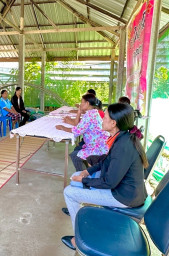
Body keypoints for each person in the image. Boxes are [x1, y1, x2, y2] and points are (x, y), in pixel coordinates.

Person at [60, 103, 148, 250]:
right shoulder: (122, 138)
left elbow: (109, 182)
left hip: (123, 196)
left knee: (69, 192)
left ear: (113, 123)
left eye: (105, 117)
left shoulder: (123, 145)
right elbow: (106, 161)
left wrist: (85, 180)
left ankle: (79, 240)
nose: (102, 120)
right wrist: (87, 172)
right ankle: (80, 214)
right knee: (76, 176)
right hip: (122, 189)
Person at [56, 94, 109, 171]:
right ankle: (87, 171)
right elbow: (78, 126)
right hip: (99, 145)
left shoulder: (89, 115)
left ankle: (82, 175)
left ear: (87, 103)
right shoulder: (93, 112)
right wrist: (79, 112)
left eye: (82, 102)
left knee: (74, 155)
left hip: (98, 147)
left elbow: (76, 131)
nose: (80, 104)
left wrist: (62, 127)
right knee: (77, 150)